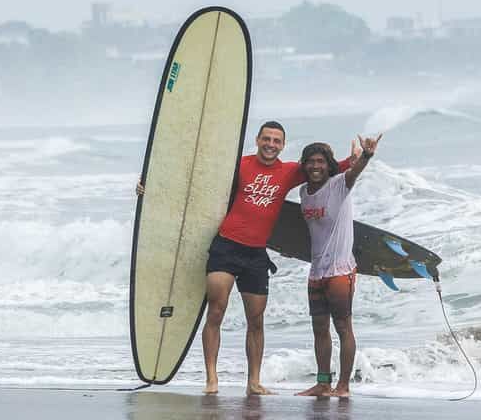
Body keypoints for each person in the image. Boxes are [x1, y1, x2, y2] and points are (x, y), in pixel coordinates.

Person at [137, 121, 357, 395]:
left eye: (277, 141)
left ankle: (253, 382)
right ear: (258, 139)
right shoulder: (239, 164)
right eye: (267, 139)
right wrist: (153, 188)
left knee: (256, 320)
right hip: (226, 246)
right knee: (216, 310)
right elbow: (199, 183)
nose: (271, 144)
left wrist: (358, 159)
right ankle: (211, 380)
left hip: (256, 254)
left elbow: (324, 169)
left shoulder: (290, 172)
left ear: (283, 145)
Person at [296, 134, 381, 398]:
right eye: (310, 161)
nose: (315, 166)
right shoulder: (303, 192)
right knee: (319, 328)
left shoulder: (339, 185)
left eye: (320, 161)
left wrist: (366, 156)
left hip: (340, 271)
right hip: (317, 271)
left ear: (329, 164)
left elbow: (354, 173)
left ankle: (343, 386)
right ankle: (323, 383)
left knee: (343, 327)